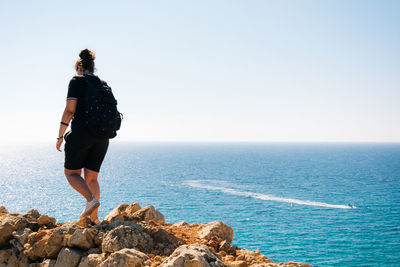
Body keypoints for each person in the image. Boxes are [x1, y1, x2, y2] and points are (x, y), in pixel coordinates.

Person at [56, 49, 110, 225]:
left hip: (81, 133)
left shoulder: (76, 81)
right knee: (92, 178)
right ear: (92, 67)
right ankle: (95, 220)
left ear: (78, 67)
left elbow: (70, 110)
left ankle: (90, 200)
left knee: (71, 173)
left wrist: (60, 135)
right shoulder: (103, 84)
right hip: (102, 137)